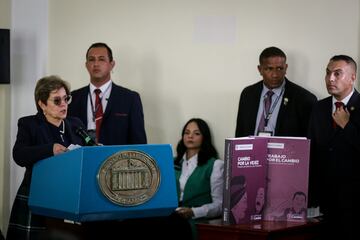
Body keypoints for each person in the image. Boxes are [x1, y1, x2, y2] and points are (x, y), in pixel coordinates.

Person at [6, 75, 86, 240]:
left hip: (70, 195)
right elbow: (19, 155)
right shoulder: (29, 124)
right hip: (38, 193)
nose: (64, 104)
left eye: (66, 99)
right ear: (42, 104)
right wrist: (50, 149)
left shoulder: (75, 123)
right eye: (57, 101)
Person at [308, 55, 360, 240]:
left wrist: (347, 126)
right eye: (328, 73)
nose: (330, 79)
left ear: (353, 77)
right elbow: (311, 150)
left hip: (353, 202)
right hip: (322, 202)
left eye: (337, 74)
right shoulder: (319, 108)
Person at [68, 42, 147, 145]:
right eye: (91, 59)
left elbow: (139, 142)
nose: (96, 64)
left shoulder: (130, 99)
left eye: (101, 59)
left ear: (112, 64)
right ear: (86, 65)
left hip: (117, 159)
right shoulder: (73, 98)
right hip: (81, 158)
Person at [235, 46, 317, 137]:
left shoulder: (304, 99)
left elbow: (309, 140)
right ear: (260, 69)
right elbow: (240, 133)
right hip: (251, 151)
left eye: (279, 68)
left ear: (286, 68)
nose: (275, 75)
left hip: (285, 151)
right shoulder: (247, 94)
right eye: (269, 69)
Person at [174, 118, 224, 239]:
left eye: (196, 133)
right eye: (187, 133)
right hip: (171, 216)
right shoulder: (172, 162)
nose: (190, 136)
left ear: (204, 137)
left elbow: (219, 205)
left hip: (194, 221)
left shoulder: (215, 165)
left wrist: (193, 212)